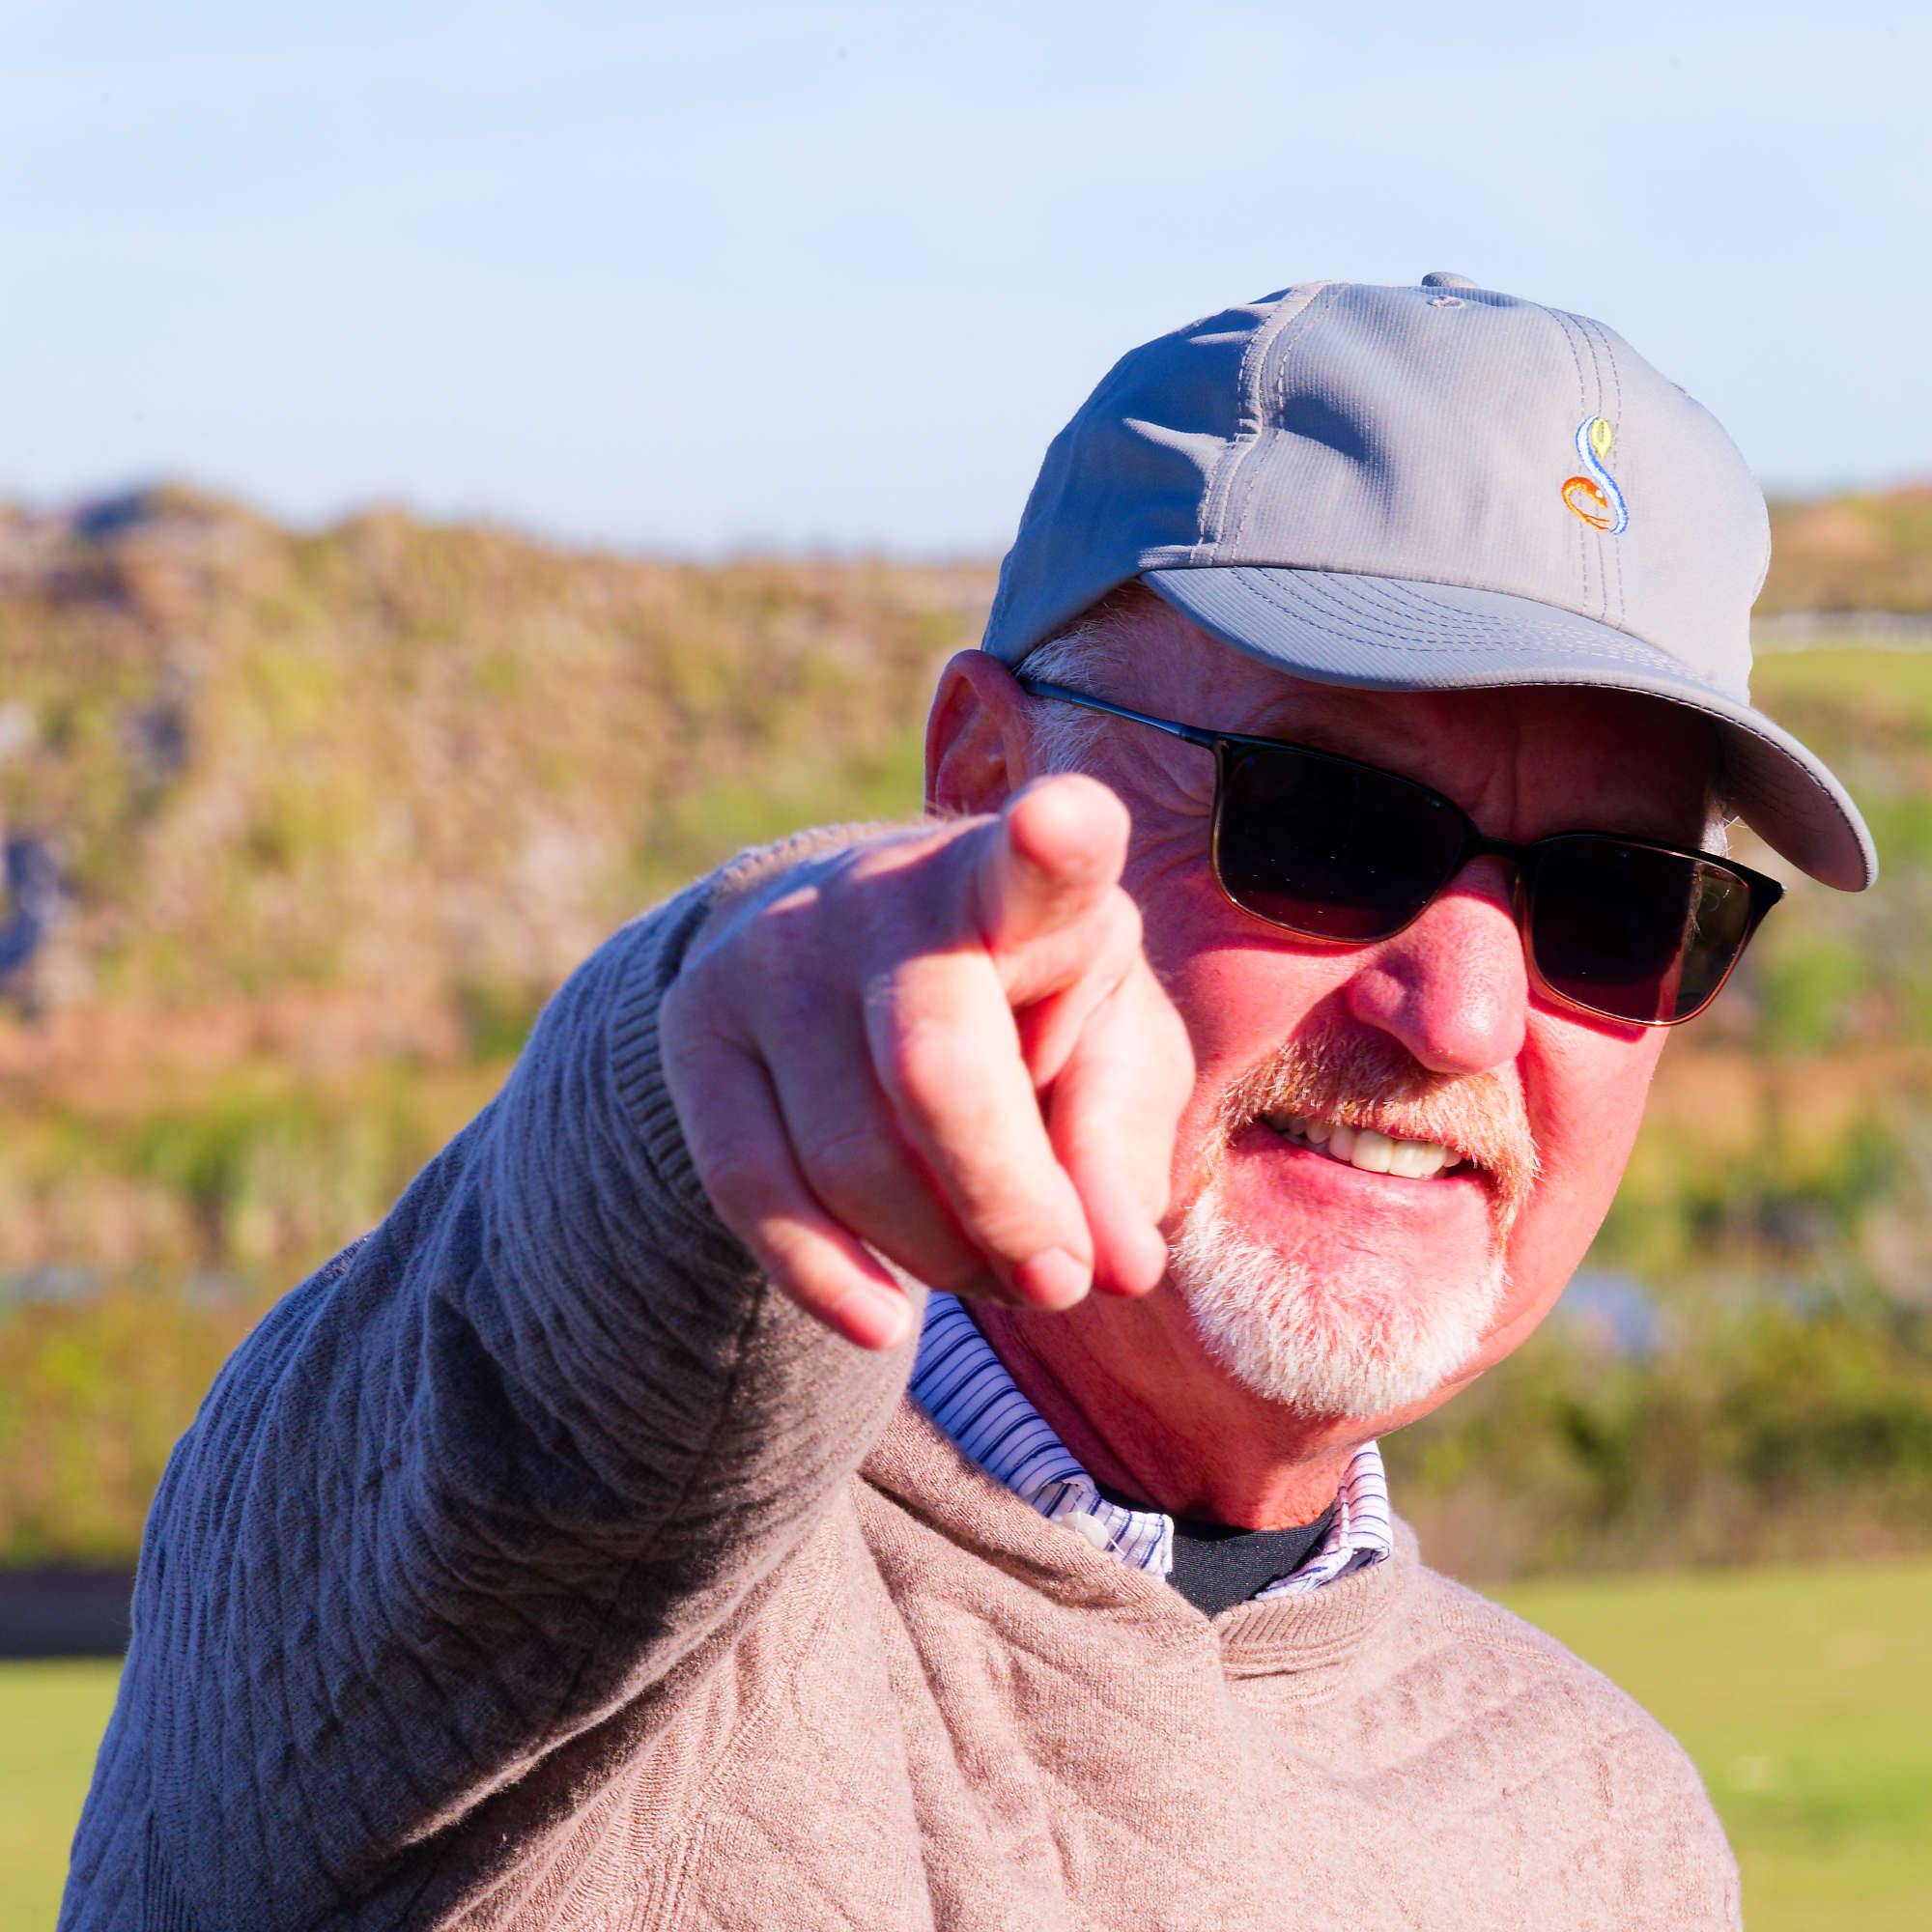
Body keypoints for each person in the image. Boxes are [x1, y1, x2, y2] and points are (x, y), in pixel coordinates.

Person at [61, 272, 1875, 1931]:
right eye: (1331, 828)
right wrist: (719, 1024)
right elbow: (531, 1381)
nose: (1466, 1012)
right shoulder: (552, 1624)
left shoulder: (1606, 1826)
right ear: (981, 781)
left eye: (1624, 900)